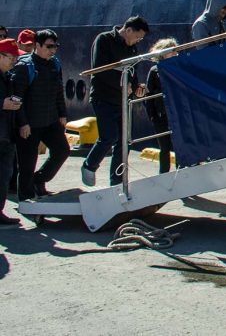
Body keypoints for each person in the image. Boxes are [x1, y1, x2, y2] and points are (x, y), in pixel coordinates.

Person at [81, 17, 148, 187]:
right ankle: (89, 165)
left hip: (123, 100)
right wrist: (123, 86)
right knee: (109, 136)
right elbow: (99, 70)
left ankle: (117, 181)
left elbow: (132, 72)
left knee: (124, 141)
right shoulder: (104, 40)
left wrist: (136, 86)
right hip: (103, 97)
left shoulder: (132, 49)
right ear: (129, 30)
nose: (138, 41)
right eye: (137, 37)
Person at [10, 29, 69, 200]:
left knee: (62, 151)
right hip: (30, 124)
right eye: (49, 46)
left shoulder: (54, 64)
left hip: (50, 120)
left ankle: (40, 179)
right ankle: (26, 199)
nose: (52, 50)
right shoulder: (24, 67)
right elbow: (17, 99)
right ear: (37, 45)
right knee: (27, 164)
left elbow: (59, 91)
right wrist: (22, 123)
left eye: (55, 47)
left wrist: (62, 114)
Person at [0, 38, 25, 223]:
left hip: (7, 134)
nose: (13, 61)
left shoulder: (9, 76)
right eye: (10, 57)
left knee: (4, 175)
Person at [145, 38, 178, 174]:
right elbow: (149, 95)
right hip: (161, 114)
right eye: (172, 51)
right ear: (163, 53)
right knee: (164, 147)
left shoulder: (178, 68)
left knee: (179, 146)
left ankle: (181, 173)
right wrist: (152, 115)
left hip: (176, 114)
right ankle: (163, 174)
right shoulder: (155, 71)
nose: (175, 54)